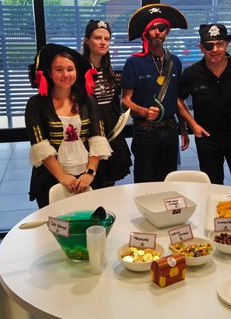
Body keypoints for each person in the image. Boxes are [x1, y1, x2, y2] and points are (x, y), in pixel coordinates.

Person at [26, 43, 112, 208]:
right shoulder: (36, 104)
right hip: (51, 178)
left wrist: (90, 173)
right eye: (59, 69)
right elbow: (40, 145)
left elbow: (97, 138)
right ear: (50, 73)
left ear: (76, 72)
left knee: (89, 221)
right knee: (56, 226)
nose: (65, 74)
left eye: (70, 69)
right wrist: (62, 176)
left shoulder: (88, 100)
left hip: (87, 177)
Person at [177, 24, 231, 186]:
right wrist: (192, 125)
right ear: (201, 48)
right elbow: (178, 98)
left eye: (219, 44)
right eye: (209, 45)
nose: (215, 49)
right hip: (207, 139)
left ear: (227, 44)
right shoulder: (192, 73)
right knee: (212, 184)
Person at [121, 4, 190, 183]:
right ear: (146, 32)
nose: (157, 32)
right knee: (145, 180)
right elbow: (125, 101)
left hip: (170, 129)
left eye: (162, 27)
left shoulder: (175, 62)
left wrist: (183, 128)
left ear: (167, 31)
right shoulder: (133, 63)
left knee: (168, 179)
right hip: (145, 131)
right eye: (152, 28)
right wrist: (144, 111)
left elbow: (176, 97)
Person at [83, 19, 132, 188]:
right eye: (98, 38)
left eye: (107, 38)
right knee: (91, 182)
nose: (103, 42)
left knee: (109, 183)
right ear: (87, 40)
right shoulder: (78, 71)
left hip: (112, 131)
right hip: (89, 132)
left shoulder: (110, 71)